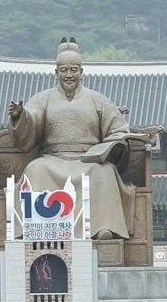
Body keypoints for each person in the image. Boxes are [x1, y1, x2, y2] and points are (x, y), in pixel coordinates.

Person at [8, 37, 136, 240]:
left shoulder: (97, 99)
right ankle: (35, 229)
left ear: (81, 72)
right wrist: (20, 115)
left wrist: (115, 144)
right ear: (56, 72)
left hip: (88, 160)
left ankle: (103, 228)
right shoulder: (43, 98)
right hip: (52, 159)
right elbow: (31, 119)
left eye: (74, 70)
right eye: (64, 70)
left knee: (105, 171)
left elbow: (118, 128)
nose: (69, 75)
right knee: (35, 169)